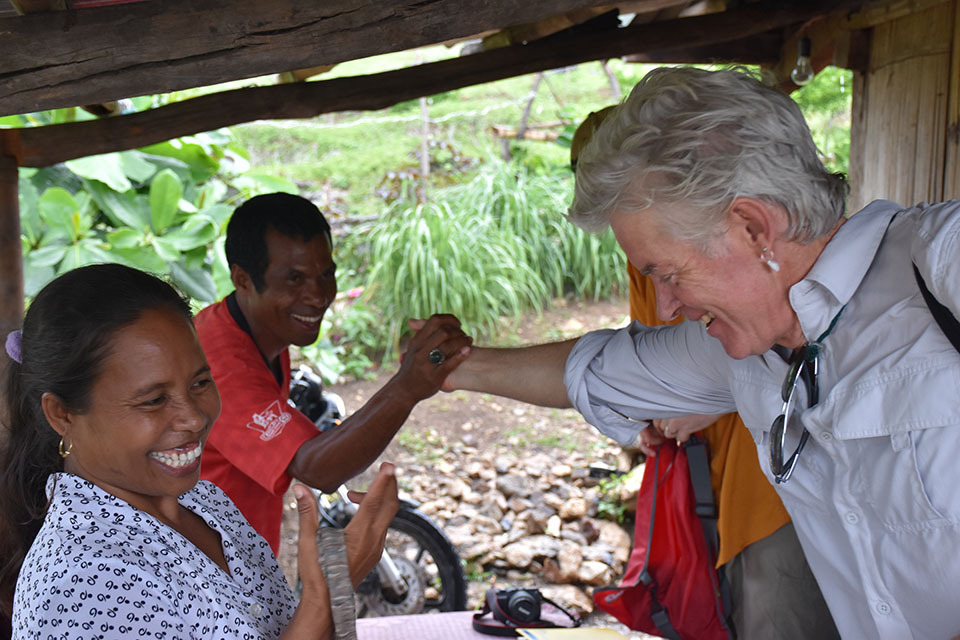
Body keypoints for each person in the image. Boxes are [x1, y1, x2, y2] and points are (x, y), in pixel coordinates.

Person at [437, 67, 960, 639]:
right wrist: (449, 367)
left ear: (753, 227)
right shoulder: (751, 346)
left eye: (668, 273)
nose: (664, 306)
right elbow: (597, 370)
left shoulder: (939, 267)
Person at [0, 263, 399, 638]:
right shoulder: (79, 580)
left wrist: (330, 585)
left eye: (200, 383)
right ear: (63, 414)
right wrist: (328, 593)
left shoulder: (205, 502)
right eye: (154, 400)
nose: (192, 417)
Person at [571, 108, 837, 639]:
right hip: (714, 475)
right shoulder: (650, 253)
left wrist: (706, 402)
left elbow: (769, 350)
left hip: (770, 482)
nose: (670, 304)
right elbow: (656, 357)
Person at [194, 193, 471, 554]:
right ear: (242, 280)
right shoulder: (217, 362)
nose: (318, 295)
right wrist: (407, 388)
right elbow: (316, 468)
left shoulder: (259, 331)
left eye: (326, 274)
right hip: (201, 578)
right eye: (294, 279)